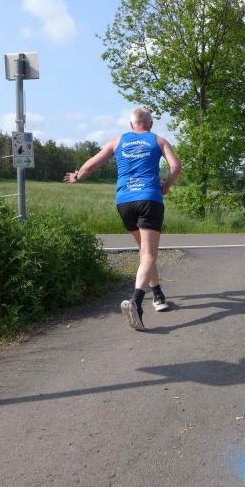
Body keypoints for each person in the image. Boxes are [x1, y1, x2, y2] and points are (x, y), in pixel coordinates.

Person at [64, 108, 181, 332]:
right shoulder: (158, 140)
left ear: (131, 125)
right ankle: (136, 301)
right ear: (150, 124)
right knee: (149, 254)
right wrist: (166, 185)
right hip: (149, 198)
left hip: (125, 201)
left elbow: (90, 165)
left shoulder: (118, 141)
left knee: (144, 251)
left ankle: (158, 295)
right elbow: (176, 167)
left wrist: (76, 176)